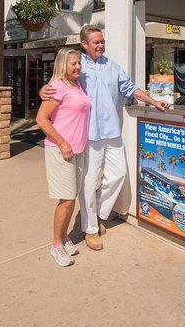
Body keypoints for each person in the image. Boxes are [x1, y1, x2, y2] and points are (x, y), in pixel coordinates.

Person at [41, 25, 169, 251]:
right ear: (84, 44)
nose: (101, 45)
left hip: (112, 131)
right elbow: (59, 83)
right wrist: (44, 90)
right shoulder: (76, 65)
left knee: (118, 174)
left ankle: (97, 213)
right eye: (96, 42)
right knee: (89, 181)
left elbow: (130, 88)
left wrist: (153, 101)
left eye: (102, 42)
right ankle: (90, 228)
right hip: (88, 134)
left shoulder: (112, 66)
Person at [36, 48, 91, 267]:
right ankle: (56, 245)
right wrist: (62, 142)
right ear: (62, 65)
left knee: (71, 198)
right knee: (67, 200)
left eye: (78, 63)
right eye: (73, 64)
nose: (77, 67)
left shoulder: (76, 85)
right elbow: (41, 119)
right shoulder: (57, 87)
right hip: (62, 150)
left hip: (78, 149)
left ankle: (65, 235)